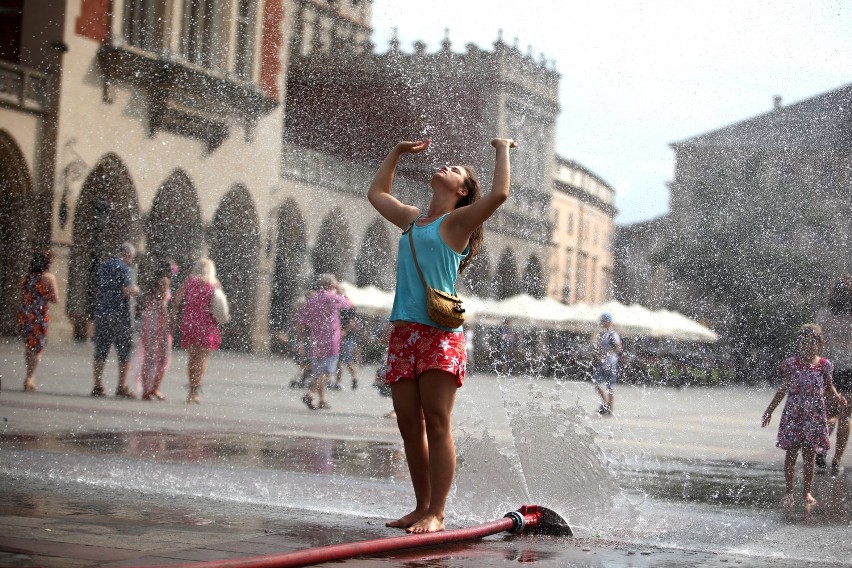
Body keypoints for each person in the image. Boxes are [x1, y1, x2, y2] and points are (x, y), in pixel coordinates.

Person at [368, 137, 517, 533]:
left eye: (456, 170)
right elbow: (377, 193)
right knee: (407, 424)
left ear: (462, 191)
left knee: (436, 423)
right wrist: (396, 152)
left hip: (438, 335)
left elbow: (500, 193)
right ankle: (420, 507)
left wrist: (502, 148)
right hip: (402, 334)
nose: (446, 166)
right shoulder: (414, 220)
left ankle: (438, 512)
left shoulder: (457, 223)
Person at [761, 324, 847, 508]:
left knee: (810, 455)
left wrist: (838, 398)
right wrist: (769, 410)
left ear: (820, 344)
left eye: (812, 343)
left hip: (814, 416)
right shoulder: (792, 364)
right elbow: (783, 389)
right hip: (794, 415)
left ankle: (806, 491)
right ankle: (789, 491)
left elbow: (829, 387)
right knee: (791, 454)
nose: (807, 346)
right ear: (799, 344)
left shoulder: (825, 366)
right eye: (804, 343)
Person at [295, 274, 353, 410]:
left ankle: (322, 400)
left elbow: (301, 322)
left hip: (315, 341)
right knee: (325, 372)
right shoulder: (332, 298)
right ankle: (310, 394)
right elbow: (350, 304)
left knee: (318, 372)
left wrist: (300, 342)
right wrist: (339, 289)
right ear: (332, 286)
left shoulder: (312, 300)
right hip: (331, 341)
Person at [92, 243, 140, 398]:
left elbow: (97, 287)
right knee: (125, 352)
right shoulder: (124, 268)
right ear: (128, 255)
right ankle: (121, 387)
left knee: (101, 351)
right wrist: (136, 290)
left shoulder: (104, 266)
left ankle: (98, 386)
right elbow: (126, 290)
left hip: (103, 313)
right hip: (120, 316)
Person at [173, 257, 222, 404]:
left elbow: (176, 298)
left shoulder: (189, 281)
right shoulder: (213, 284)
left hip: (190, 323)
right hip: (207, 324)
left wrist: (176, 313)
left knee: (192, 358)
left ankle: (191, 390)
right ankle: (195, 390)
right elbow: (220, 304)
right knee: (202, 358)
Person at [817, 276, 852, 476]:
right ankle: (837, 461)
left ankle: (821, 453)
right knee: (845, 417)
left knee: (828, 415)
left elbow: (819, 342)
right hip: (850, 370)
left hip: (829, 368)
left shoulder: (823, 315)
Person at [19, 251, 59, 392]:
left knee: (29, 346)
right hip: (39, 316)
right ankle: (30, 377)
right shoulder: (48, 277)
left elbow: (23, 294)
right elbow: (55, 299)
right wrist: (44, 295)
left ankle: (29, 376)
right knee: (38, 348)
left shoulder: (27, 277)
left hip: (25, 315)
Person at [136, 260, 175, 401]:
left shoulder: (152, 281)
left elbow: (147, 301)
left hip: (149, 318)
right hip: (158, 319)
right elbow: (162, 303)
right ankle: (153, 387)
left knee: (149, 354)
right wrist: (167, 321)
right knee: (163, 355)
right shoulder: (165, 281)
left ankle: (147, 388)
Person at [592, 312, 622, 415]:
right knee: (596, 382)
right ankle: (606, 403)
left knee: (610, 386)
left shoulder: (613, 334)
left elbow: (619, 348)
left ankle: (609, 407)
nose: (601, 323)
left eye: (603, 321)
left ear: (608, 322)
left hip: (611, 363)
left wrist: (605, 351)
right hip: (602, 363)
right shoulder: (603, 334)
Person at [333, 308, 360, 390]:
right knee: (345, 360)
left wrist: (344, 331)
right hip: (343, 338)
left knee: (342, 361)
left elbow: (352, 323)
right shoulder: (344, 307)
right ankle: (353, 378)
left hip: (346, 338)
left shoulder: (347, 308)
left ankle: (340, 382)